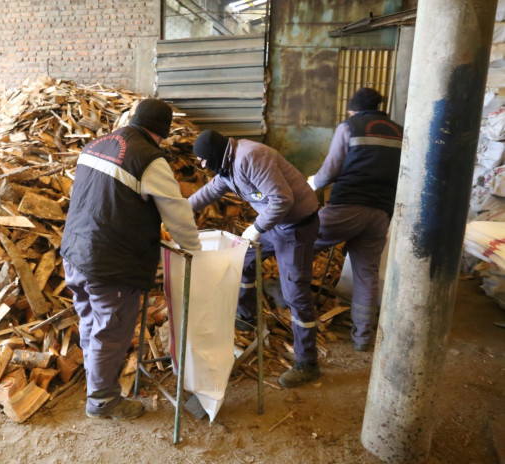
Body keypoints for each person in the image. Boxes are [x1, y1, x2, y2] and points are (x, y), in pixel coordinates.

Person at [61, 99, 202, 420]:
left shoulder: (98, 144)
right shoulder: (149, 159)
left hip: (74, 252)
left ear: (134, 119)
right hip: (111, 264)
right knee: (111, 332)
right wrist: (194, 249)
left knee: (90, 322)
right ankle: (102, 400)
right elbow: (177, 213)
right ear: (162, 134)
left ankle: (95, 383)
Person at [188, 130, 320, 388]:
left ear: (214, 154)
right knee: (242, 263)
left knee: (295, 293)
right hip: (275, 225)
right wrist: (181, 209)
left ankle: (308, 362)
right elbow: (211, 190)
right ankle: (248, 319)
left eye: (203, 160)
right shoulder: (228, 165)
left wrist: (257, 228)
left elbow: (282, 199)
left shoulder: (250, 157)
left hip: (295, 226)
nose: (202, 165)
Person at [310, 87, 403, 352]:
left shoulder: (349, 126)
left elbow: (328, 172)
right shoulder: (400, 131)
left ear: (353, 109)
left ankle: (289, 305)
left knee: (297, 244)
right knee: (366, 274)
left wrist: (309, 186)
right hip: (380, 212)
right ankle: (363, 337)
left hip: (346, 206)